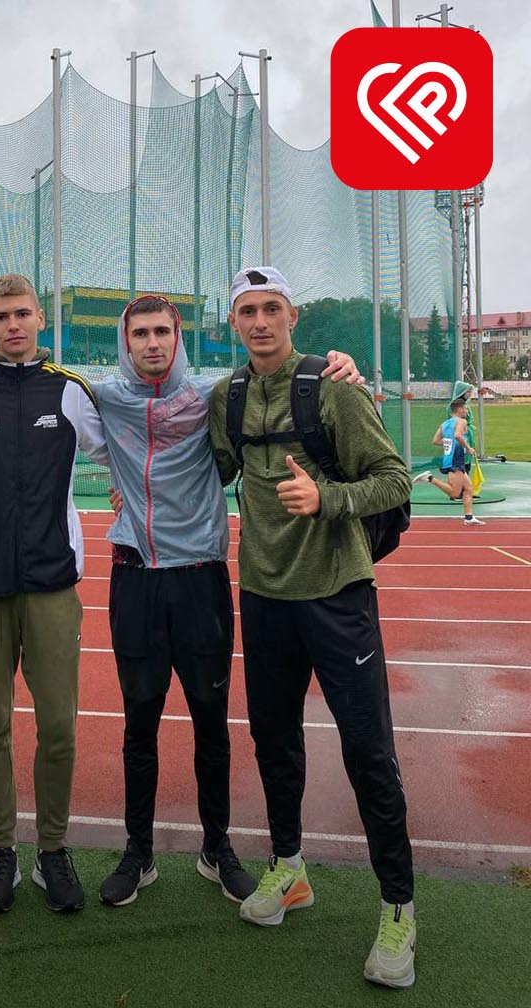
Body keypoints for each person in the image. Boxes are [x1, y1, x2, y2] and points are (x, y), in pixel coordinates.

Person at [93, 295, 361, 909]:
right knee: (139, 722)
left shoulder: (215, 393)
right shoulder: (101, 396)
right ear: (125, 341)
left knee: (212, 721)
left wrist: (337, 363)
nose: (152, 343)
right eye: (140, 333)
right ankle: (139, 853)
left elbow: (279, 370)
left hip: (201, 579)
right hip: (134, 575)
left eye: (162, 331)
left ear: (178, 335)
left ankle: (217, 847)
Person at [205, 266, 418, 989]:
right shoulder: (226, 397)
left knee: (368, 753)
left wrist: (325, 497)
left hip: (336, 593)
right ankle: (290, 869)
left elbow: (394, 480)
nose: (260, 322)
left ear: (292, 315)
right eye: (246, 312)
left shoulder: (333, 387)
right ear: (232, 323)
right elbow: (201, 460)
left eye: (271, 309)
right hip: (264, 596)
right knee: (273, 741)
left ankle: (398, 908)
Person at [0, 273, 107, 915]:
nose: (12, 324)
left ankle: (54, 850)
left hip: (51, 585)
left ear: (41, 317)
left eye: (22, 314)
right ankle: (1, 850)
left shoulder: (71, 392)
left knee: (59, 726)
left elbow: (127, 441)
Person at [417, 398, 483, 526]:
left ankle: (469, 517)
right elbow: (458, 436)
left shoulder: (445, 424)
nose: (467, 412)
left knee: (469, 488)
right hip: (456, 458)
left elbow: (435, 440)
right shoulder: (461, 421)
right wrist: (468, 447)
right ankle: (430, 478)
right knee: (455, 493)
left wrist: (450, 442)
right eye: (465, 409)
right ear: (458, 409)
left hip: (452, 458)